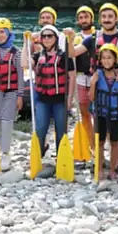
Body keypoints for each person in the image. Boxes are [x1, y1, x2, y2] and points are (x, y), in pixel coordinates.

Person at [67, 3, 118, 174]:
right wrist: (69, 39)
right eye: (104, 17)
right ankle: (99, 161)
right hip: (99, 86)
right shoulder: (92, 38)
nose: (107, 20)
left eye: (110, 17)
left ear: (116, 19)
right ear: (100, 19)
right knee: (99, 124)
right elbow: (72, 53)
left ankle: (117, 162)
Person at [22, 25, 75, 160]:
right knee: (40, 130)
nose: (46, 39)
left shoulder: (64, 56)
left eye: (49, 36)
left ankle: (61, 157)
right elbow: (24, 64)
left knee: (61, 131)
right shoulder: (37, 55)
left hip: (60, 100)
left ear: (56, 38)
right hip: (42, 100)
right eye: (44, 36)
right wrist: (25, 43)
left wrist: (70, 99)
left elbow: (72, 77)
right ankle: (39, 155)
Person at [89, 43, 118, 181]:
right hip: (101, 114)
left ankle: (113, 169)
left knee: (115, 142)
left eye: (109, 58)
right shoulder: (97, 75)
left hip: (116, 115)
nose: (106, 60)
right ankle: (100, 169)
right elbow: (91, 97)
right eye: (104, 58)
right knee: (100, 142)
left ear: (115, 60)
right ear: (100, 60)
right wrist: (92, 83)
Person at [0, 17, 24, 171]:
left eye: (3, 32)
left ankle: (5, 152)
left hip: (11, 91)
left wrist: (20, 95)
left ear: (9, 33)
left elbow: (21, 75)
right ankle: (1, 147)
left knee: (6, 120)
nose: (0, 35)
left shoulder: (16, 53)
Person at [73, 6, 96, 150]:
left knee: (99, 113)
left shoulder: (98, 35)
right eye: (80, 18)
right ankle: (91, 144)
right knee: (85, 113)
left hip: (96, 77)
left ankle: (100, 143)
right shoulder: (76, 38)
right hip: (81, 78)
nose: (83, 20)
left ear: (92, 19)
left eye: (86, 17)